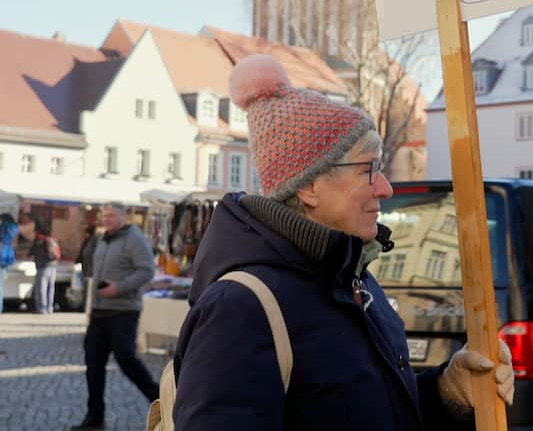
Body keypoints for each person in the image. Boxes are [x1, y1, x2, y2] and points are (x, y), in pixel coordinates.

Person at [170, 55, 514, 430]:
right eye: (369, 169)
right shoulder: (240, 310)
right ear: (309, 185)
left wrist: (447, 393)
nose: (385, 188)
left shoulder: (355, 281)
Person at [70, 203, 159, 431]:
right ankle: (95, 417)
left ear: (122, 216)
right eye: (105, 215)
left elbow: (147, 270)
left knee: (127, 360)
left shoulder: (134, 239)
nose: (107, 219)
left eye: (111, 215)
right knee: (93, 363)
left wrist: (119, 287)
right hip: (100, 312)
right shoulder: (103, 239)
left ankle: (163, 403)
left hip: (123, 310)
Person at [30, 222, 59, 314]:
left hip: (43, 266)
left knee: (41, 288)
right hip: (53, 266)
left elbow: (32, 251)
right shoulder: (52, 239)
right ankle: (50, 308)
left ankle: (42, 309)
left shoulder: (39, 240)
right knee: (51, 288)